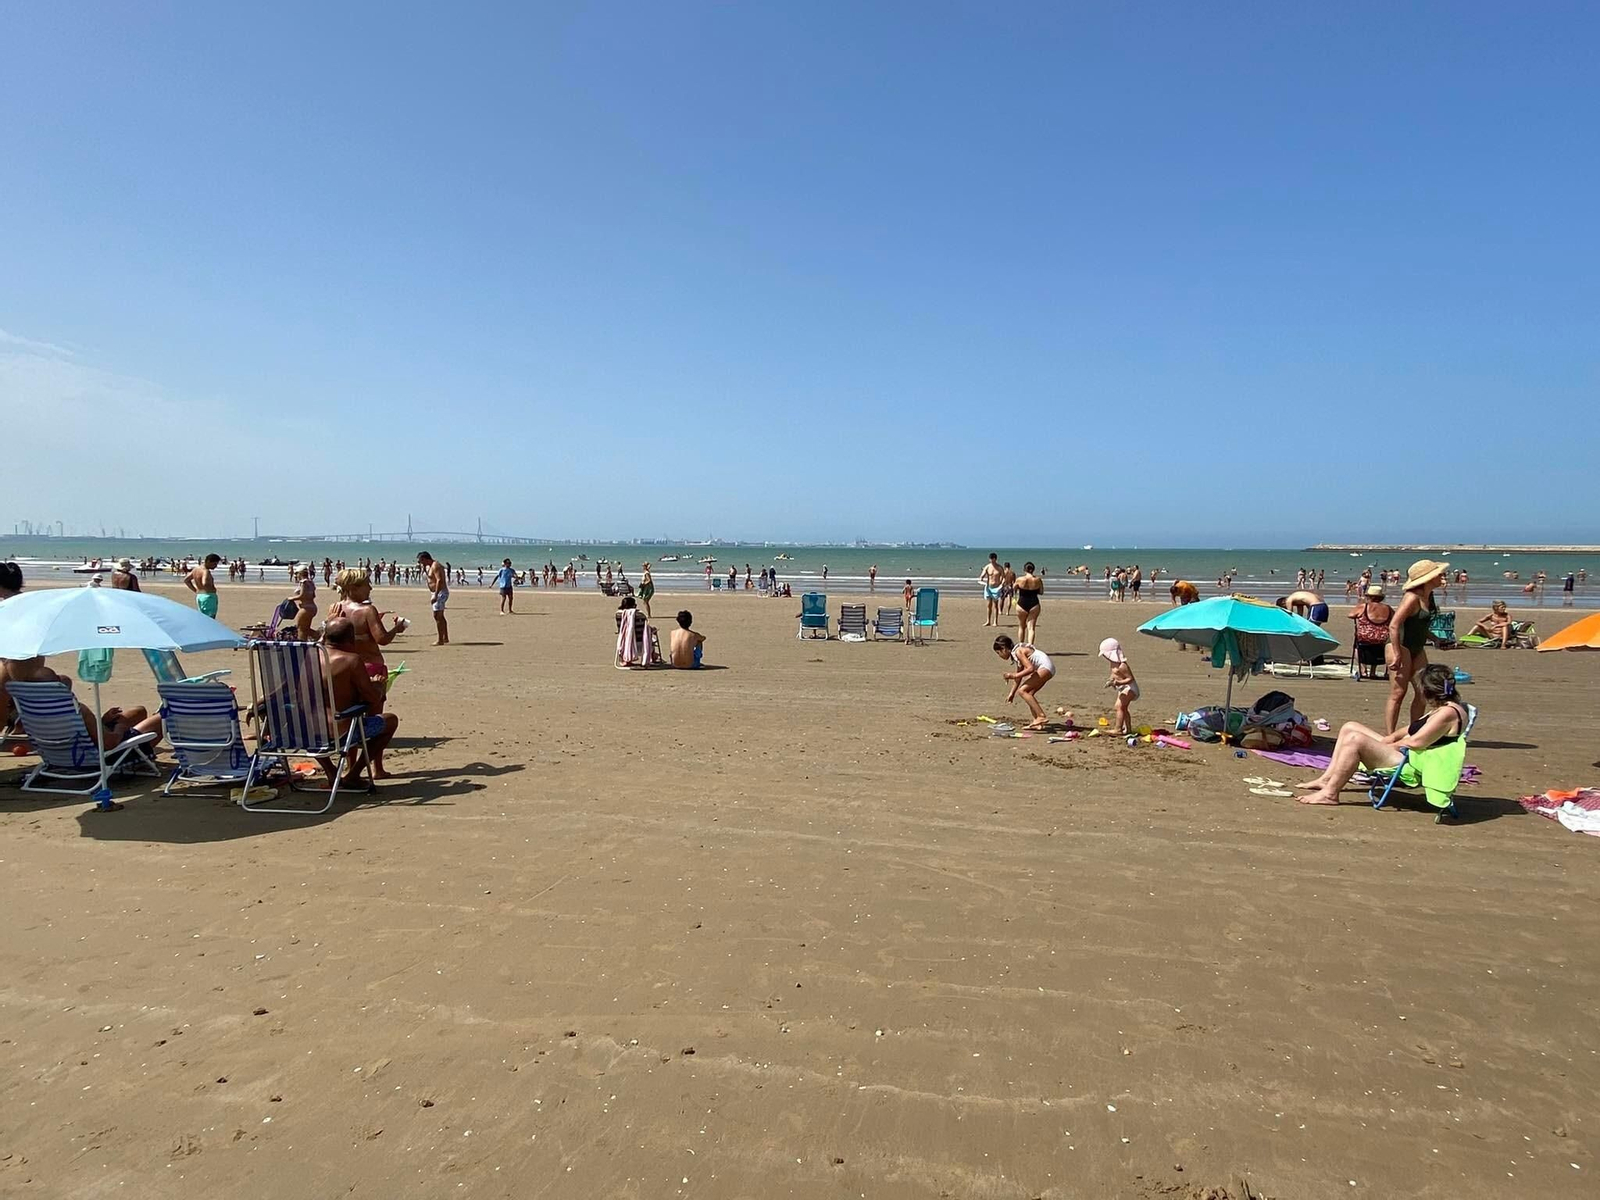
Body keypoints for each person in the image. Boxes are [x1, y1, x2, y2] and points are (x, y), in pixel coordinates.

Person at [1295, 665, 1469, 806]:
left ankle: (1330, 794)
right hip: (1408, 754)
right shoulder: (1443, 708)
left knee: (1355, 740)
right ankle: (1326, 779)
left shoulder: (1447, 713)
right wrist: (1390, 739)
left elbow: (1417, 742)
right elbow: (1411, 729)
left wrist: (1387, 746)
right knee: (1350, 727)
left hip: (1413, 763)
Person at [323, 618, 398, 783]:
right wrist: (378, 686)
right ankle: (353, 774)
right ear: (351, 639)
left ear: (325, 636)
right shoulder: (351, 660)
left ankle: (331, 771)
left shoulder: (308, 656)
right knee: (390, 721)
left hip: (305, 733)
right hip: (339, 734)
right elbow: (372, 699)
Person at [1387, 559, 1447, 734]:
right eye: (1439, 575)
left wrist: (1435, 639)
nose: (1442, 577)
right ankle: (1390, 735)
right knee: (1398, 693)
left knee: (1422, 692)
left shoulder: (1429, 596)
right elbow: (1394, 625)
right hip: (1399, 645)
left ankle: (1415, 731)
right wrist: (1397, 654)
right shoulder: (1411, 597)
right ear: (1428, 578)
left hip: (1417, 647)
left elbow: (1419, 625)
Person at [994, 634, 1054, 731]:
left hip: (1045, 668)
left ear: (1003, 649)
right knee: (1029, 693)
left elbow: (1029, 669)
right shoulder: (1017, 654)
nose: (1000, 656)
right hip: (1047, 668)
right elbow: (1019, 676)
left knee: (1022, 691)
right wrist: (1011, 693)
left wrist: (1012, 675)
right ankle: (1037, 722)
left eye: (998, 653)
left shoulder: (1018, 651)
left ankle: (1041, 716)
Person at [1351, 584, 1393, 680]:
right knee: (1383, 644)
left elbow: (1351, 615)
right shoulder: (1388, 608)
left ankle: (1363, 669)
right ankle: (1373, 671)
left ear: (1370, 597)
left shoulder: (1364, 607)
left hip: (1365, 636)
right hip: (1383, 637)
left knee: (1357, 646)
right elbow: (1395, 618)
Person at [1099, 637, 1139, 735]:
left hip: (1130, 688)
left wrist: (1118, 683)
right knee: (1123, 708)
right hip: (1122, 688)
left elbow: (1130, 679)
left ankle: (1118, 729)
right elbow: (1114, 674)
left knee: (1119, 707)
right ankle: (1128, 729)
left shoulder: (1122, 665)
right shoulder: (1113, 664)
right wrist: (1111, 681)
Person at [1014, 561, 1043, 646]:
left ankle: (1021, 645)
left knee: (1021, 626)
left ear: (1024, 569)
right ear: (1033, 570)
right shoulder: (1038, 580)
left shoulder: (1020, 579)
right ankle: (1030, 646)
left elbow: (1014, 589)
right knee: (1031, 628)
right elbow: (1041, 592)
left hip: (1022, 603)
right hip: (1034, 603)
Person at [286, 566, 317, 638]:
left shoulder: (303, 582)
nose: (296, 576)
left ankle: (302, 644)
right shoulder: (310, 582)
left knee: (300, 628)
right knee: (306, 628)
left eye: (297, 574)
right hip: (312, 607)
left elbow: (302, 595)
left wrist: (291, 598)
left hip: (306, 608)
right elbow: (313, 596)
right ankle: (319, 637)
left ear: (300, 573)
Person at [979, 554, 1004, 626]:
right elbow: (982, 575)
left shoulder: (999, 568)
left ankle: (995, 621)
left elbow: (1003, 577)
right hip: (988, 587)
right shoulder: (987, 567)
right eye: (990, 559)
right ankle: (988, 621)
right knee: (988, 605)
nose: (991, 561)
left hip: (996, 588)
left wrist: (1001, 584)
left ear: (995, 559)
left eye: (993, 559)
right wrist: (981, 578)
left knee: (995, 605)